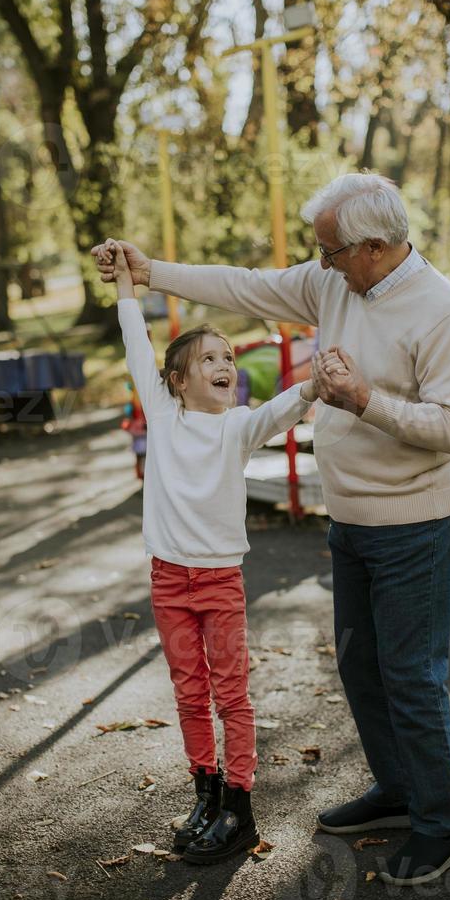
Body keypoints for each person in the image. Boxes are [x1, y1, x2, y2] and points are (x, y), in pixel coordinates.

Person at [93, 172, 450, 887]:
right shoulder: (333, 280)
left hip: (416, 527)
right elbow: (246, 286)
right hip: (352, 521)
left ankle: (442, 824)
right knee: (361, 667)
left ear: (374, 245)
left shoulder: (443, 312)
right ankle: (398, 792)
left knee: (411, 678)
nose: (319, 261)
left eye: (330, 250)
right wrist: (151, 272)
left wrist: (366, 400)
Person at [93, 238, 317, 864]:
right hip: (169, 580)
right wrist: (125, 290)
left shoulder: (237, 425)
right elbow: (136, 344)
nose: (224, 364)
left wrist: (314, 383)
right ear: (177, 380)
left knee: (231, 694)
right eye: (209, 358)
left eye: (227, 356)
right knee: (189, 693)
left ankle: (240, 806)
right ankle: (206, 791)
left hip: (219, 582)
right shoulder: (164, 417)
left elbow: (281, 408)